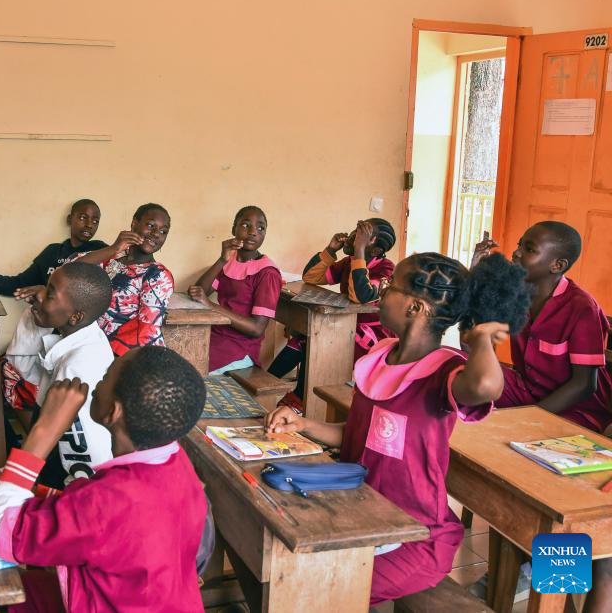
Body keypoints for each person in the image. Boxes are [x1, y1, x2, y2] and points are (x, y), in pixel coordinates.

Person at [264, 252, 529, 606]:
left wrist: (481, 339)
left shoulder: (444, 371)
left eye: (391, 286)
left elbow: (485, 386)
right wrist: (304, 424)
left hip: (414, 534)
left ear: (415, 307)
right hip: (361, 512)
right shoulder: (383, 354)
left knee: (314, 587)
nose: (382, 290)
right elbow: (360, 434)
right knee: (274, 556)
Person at [0, 346, 208, 611]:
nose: (98, 382)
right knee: (20, 586)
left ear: (113, 412)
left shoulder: (107, 503)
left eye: (106, 375)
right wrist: (12, 483)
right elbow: (89, 514)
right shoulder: (174, 461)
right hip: (148, 599)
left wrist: (46, 429)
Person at [473, 223, 612, 433]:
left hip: (575, 409)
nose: (516, 252)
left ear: (557, 265)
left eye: (529, 249)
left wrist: (528, 417)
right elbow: (473, 344)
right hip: (525, 391)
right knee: (457, 365)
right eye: (519, 244)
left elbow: (584, 385)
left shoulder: (582, 308)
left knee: (522, 438)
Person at [0, 262, 116, 487]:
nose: (40, 295)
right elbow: (24, 366)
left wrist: (68, 489)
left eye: (50, 293)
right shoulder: (79, 337)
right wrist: (35, 311)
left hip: (66, 473)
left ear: (75, 317)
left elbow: (84, 447)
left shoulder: (77, 368)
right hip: (52, 453)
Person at [267, 217, 396, 410]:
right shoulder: (349, 262)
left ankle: (299, 399)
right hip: (343, 324)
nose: (352, 236)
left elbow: (361, 296)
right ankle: (266, 384)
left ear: (375, 250)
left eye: (361, 236)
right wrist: (330, 250)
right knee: (302, 340)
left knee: (315, 342)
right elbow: (311, 277)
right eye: (356, 231)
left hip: (369, 336)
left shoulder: (385, 268)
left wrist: (359, 251)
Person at [188, 205, 282, 373]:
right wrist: (221, 260)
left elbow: (257, 329)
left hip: (240, 349)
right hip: (215, 336)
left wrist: (211, 306)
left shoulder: (267, 273)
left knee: (187, 372)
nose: (253, 232)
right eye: (246, 225)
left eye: (260, 228)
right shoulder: (230, 260)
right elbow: (198, 292)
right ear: (234, 229)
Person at [70, 203, 174, 355]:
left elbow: (147, 330)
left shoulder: (157, 275)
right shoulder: (111, 258)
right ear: (134, 223)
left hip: (121, 356)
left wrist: (105, 358)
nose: (156, 234)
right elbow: (69, 270)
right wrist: (114, 248)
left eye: (163, 231)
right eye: (151, 225)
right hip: (87, 344)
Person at [0, 199, 106, 296]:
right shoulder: (52, 252)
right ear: (69, 219)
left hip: (84, 330)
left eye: (95, 221)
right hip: (48, 328)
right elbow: (17, 285)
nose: (89, 225)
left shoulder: (101, 251)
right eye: (83, 217)